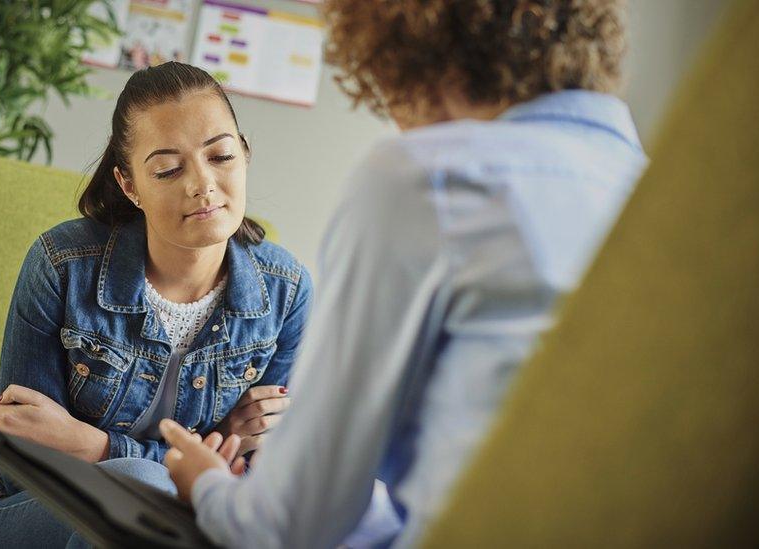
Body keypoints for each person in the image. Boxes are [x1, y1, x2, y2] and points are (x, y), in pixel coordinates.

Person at [157, 1, 647, 547]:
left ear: (405, 51)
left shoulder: (427, 176)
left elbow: (287, 526)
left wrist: (207, 486)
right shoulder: (655, 192)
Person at [0, 62, 313, 548]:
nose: (202, 185)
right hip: (23, 513)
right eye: (168, 168)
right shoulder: (62, 265)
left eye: (221, 155)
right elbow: (28, 455)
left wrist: (91, 445)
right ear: (128, 185)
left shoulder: (286, 293)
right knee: (143, 491)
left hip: (184, 526)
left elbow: (256, 480)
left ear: (244, 155)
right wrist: (187, 456)